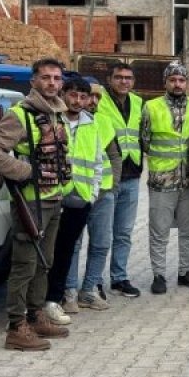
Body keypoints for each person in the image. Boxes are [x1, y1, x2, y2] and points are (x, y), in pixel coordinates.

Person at [0, 57, 73, 351]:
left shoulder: (57, 113)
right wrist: (26, 172)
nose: (52, 83)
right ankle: (16, 327)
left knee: (45, 263)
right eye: (46, 77)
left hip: (53, 198)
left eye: (56, 78)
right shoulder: (20, 114)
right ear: (33, 81)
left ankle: (35, 316)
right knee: (24, 265)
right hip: (30, 203)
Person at [43, 77, 105, 323]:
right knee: (47, 251)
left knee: (65, 251)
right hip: (53, 195)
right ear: (63, 94)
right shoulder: (51, 120)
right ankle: (40, 301)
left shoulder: (92, 124)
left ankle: (54, 300)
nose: (78, 101)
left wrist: (92, 194)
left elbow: (97, 161)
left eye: (83, 96)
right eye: (73, 95)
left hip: (80, 198)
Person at [141, 62, 189, 294]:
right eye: (173, 80)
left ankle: (184, 272)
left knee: (188, 230)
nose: (177, 84)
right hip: (162, 180)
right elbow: (144, 141)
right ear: (165, 82)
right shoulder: (151, 107)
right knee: (159, 231)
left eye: (181, 80)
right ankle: (158, 275)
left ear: (187, 83)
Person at [63, 83, 122, 313]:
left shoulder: (102, 122)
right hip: (73, 193)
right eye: (90, 97)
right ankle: (69, 291)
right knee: (73, 244)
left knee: (101, 243)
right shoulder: (61, 121)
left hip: (102, 193)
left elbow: (114, 156)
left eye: (96, 97)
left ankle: (88, 290)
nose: (92, 101)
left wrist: (112, 185)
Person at [93, 62, 144, 298]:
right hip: (106, 177)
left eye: (128, 78)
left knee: (123, 233)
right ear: (109, 79)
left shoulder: (138, 102)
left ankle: (119, 278)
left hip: (132, 176)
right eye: (119, 77)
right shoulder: (98, 101)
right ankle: (94, 280)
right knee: (101, 235)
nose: (124, 81)